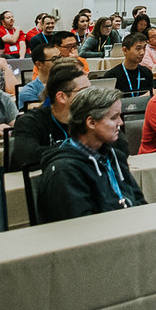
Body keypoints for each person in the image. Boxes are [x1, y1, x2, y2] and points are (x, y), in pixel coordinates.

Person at [35, 86, 146, 222]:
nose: (121, 123)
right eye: (114, 118)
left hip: (129, 228)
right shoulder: (64, 171)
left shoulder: (115, 156)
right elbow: (81, 225)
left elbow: (139, 202)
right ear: (91, 123)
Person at [8, 59, 89, 169]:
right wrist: (77, 147)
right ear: (61, 97)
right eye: (84, 91)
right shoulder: (30, 121)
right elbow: (27, 156)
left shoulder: (89, 119)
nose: (90, 95)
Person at [100, 34, 153, 99]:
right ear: (125, 50)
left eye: (144, 48)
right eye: (138, 48)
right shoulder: (112, 75)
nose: (142, 52)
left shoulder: (147, 72)